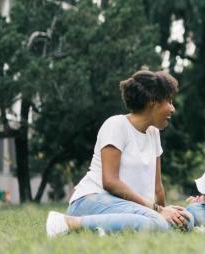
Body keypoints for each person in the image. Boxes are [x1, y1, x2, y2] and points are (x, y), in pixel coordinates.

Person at [46, 70, 190, 238]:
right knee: (157, 223)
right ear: (153, 102)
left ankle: (107, 228)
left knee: (187, 219)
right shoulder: (116, 125)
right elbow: (110, 182)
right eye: (169, 101)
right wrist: (158, 212)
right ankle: (68, 223)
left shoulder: (153, 133)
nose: (172, 108)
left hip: (128, 207)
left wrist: (166, 212)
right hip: (92, 200)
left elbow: (157, 188)